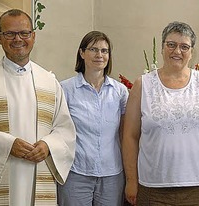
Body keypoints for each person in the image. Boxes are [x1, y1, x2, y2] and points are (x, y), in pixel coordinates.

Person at [0, 9, 76, 205]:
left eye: (24, 33)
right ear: (0, 38)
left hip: (38, 172)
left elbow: (64, 129)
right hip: (0, 175)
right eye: (10, 33)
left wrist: (48, 145)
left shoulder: (50, 82)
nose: (18, 39)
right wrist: (7, 145)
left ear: (33, 36)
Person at [121, 21, 199, 205]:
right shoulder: (143, 85)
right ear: (162, 48)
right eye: (171, 45)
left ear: (192, 52)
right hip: (152, 186)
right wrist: (131, 180)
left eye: (184, 46)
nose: (177, 51)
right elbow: (130, 136)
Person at [57, 31, 128, 205]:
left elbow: (125, 134)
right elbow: (58, 131)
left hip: (112, 175)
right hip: (76, 173)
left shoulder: (120, 92)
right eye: (94, 49)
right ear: (82, 53)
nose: (99, 55)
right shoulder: (65, 89)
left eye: (104, 51)